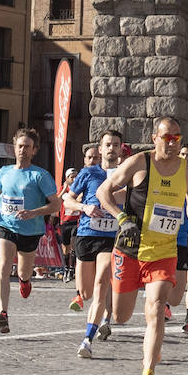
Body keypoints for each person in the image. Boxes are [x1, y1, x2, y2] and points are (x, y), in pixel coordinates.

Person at [97, 116, 188, 375]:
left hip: (164, 252)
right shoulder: (139, 163)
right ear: (154, 138)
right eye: (166, 137)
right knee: (121, 316)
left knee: (157, 308)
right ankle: (149, 341)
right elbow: (103, 191)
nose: (171, 143)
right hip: (130, 248)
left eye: (176, 138)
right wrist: (122, 218)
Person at [0, 127, 62, 335]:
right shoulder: (4, 171)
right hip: (5, 225)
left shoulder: (40, 175)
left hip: (30, 230)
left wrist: (33, 213)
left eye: (27, 147)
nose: (23, 150)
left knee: (23, 271)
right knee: (3, 267)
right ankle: (3, 313)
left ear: (34, 150)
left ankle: (25, 281)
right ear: (14, 148)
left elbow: (56, 204)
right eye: (20, 146)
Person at [68, 131, 124, 354]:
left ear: (121, 149)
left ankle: (87, 340)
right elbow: (67, 200)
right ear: (100, 149)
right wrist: (85, 207)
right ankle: (93, 313)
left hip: (111, 238)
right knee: (86, 292)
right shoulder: (89, 173)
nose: (111, 148)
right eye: (108, 145)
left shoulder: (125, 175)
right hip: (86, 234)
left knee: (102, 282)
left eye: (116, 145)